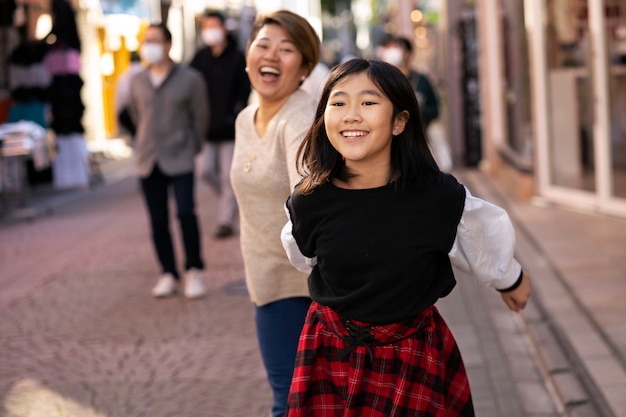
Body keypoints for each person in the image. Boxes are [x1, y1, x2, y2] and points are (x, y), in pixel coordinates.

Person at [280, 59, 532, 416]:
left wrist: (511, 279)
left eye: (368, 102)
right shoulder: (309, 200)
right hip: (330, 350)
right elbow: (303, 255)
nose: (351, 115)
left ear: (399, 121)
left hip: (412, 350)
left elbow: (479, 238)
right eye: (338, 103)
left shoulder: (435, 196)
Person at [229, 10, 320, 417]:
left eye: (287, 50)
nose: (271, 55)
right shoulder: (246, 118)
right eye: (263, 45)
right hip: (265, 281)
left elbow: (311, 197)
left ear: (304, 68)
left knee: (290, 403)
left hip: (301, 289)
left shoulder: (298, 118)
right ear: (248, 54)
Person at [128, 23, 209, 299]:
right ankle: (168, 273)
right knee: (157, 220)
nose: (149, 45)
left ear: (168, 44)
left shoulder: (190, 78)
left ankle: (194, 270)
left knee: (186, 212)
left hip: (180, 155)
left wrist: (192, 146)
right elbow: (133, 116)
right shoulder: (137, 80)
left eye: (155, 40)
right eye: (146, 40)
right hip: (148, 158)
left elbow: (200, 118)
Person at [190, 10, 251, 239]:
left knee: (228, 175)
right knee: (204, 171)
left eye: (213, 25)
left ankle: (225, 218)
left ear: (224, 28)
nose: (210, 31)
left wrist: (235, 114)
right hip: (205, 129)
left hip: (229, 130)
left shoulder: (237, 57)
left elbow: (245, 90)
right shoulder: (199, 58)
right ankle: (230, 202)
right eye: (206, 26)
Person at [379, 35, 439, 128]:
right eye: (391, 48)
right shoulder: (383, 81)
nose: (393, 52)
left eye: (397, 48)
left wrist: (417, 114)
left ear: (408, 54)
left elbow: (434, 109)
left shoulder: (421, 80)